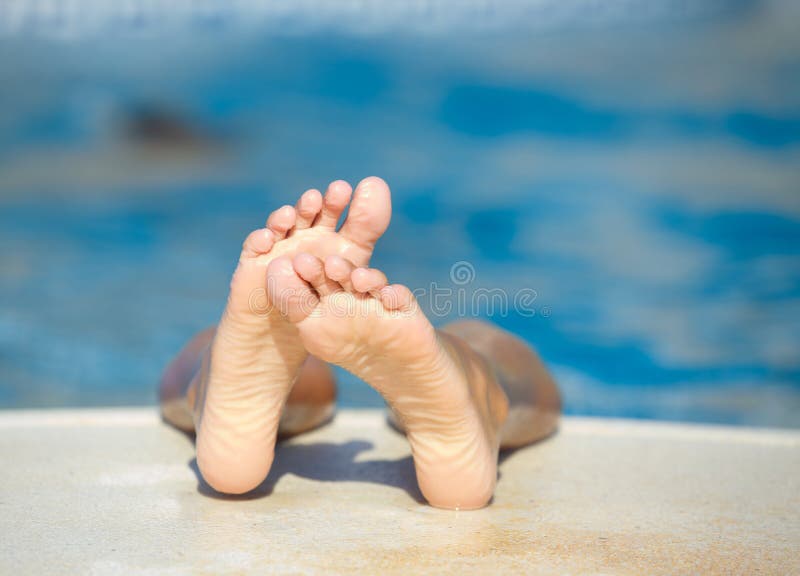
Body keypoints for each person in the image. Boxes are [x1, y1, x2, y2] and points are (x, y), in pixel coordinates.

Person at [159, 177, 561, 510]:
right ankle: (479, 385)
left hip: (274, 359)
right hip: (442, 361)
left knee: (296, 374)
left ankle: (206, 384)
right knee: (482, 338)